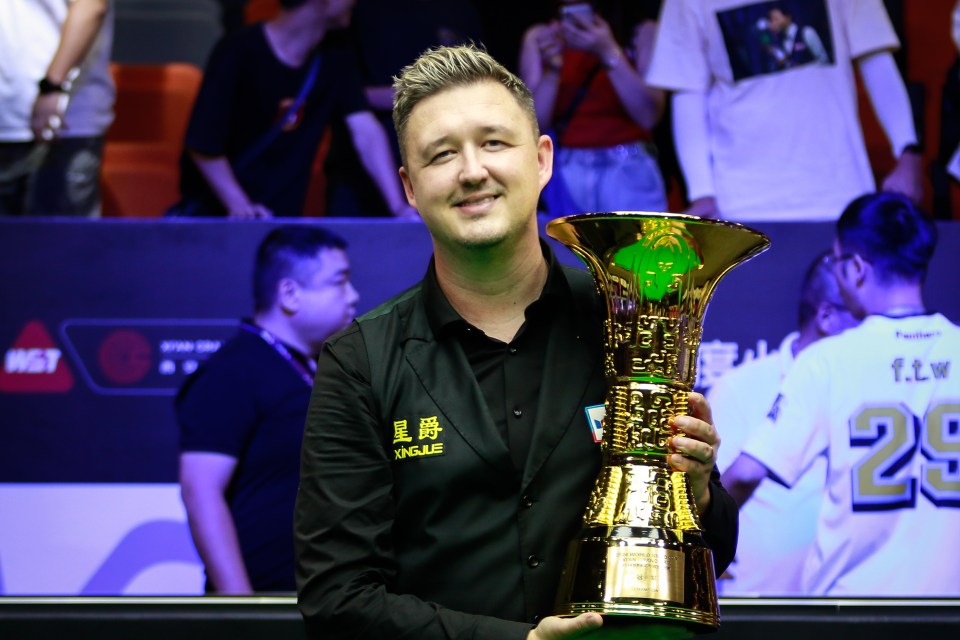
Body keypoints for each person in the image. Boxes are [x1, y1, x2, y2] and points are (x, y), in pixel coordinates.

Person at [294, 44, 738, 639]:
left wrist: (700, 494)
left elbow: (715, 555)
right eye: (441, 154)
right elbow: (336, 598)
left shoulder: (632, 319)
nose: (472, 170)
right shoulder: (361, 363)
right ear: (409, 186)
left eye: (494, 143)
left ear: (542, 158)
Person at [724, 192, 960, 596]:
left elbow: (745, 474)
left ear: (854, 268)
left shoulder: (827, 360)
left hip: (850, 610)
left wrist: (699, 530)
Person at [178, 225, 359, 593]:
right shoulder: (233, 373)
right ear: (290, 293)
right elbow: (200, 491)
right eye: (339, 282)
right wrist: (240, 608)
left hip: (325, 601)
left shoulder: (316, 369)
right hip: (265, 606)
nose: (353, 296)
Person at [646, 0, 923, 222]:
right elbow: (689, 93)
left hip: (841, 193)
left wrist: (907, 150)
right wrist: (702, 191)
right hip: (738, 203)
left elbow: (876, 59)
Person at [173, 0, 416, 219]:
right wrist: (240, 206)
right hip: (221, 222)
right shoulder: (239, 50)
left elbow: (364, 129)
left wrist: (398, 208)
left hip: (282, 220)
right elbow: (203, 144)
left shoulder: (334, 55)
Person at [709, 250, 859, 596]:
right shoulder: (740, 386)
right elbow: (715, 493)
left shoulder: (872, 385)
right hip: (755, 602)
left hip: (846, 600)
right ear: (826, 316)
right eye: (862, 320)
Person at [323, 0, 483, 216]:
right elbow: (341, 89)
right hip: (359, 173)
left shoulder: (459, 10)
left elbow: (476, 85)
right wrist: (422, 96)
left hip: (440, 171)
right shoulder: (355, 9)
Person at [519, 0, 667, 216]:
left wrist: (607, 50)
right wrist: (552, 70)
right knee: (569, 250)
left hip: (631, 171)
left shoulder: (641, 32)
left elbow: (648, 115)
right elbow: (532, 125)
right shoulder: (542, 37)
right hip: (568, 172)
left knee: (640, 249)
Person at [0, 0, 114, 217]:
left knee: (59, 246)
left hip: (63, 120)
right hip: (8, 113)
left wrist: (52, 86)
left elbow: (91, 6)